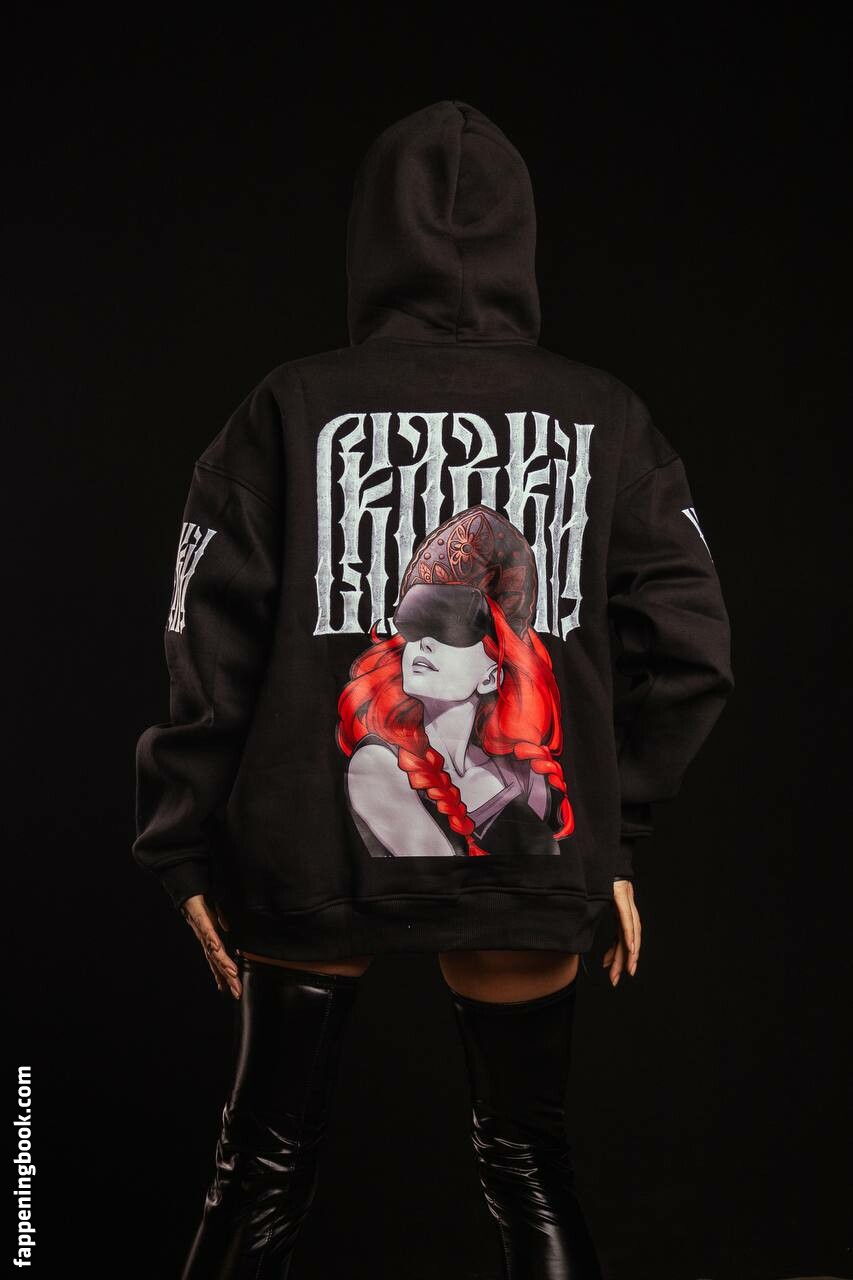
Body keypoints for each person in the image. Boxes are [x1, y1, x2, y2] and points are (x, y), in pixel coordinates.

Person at [132, 99, 734, 1279]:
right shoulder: (606, 415)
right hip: (534, 853)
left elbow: (207, 634)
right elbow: (692, 641)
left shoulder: (289, 404)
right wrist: (612, 826)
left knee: (257, 1165)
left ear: (371, 239)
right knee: (528, 1159)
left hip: (306, 848)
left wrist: (180, 834)